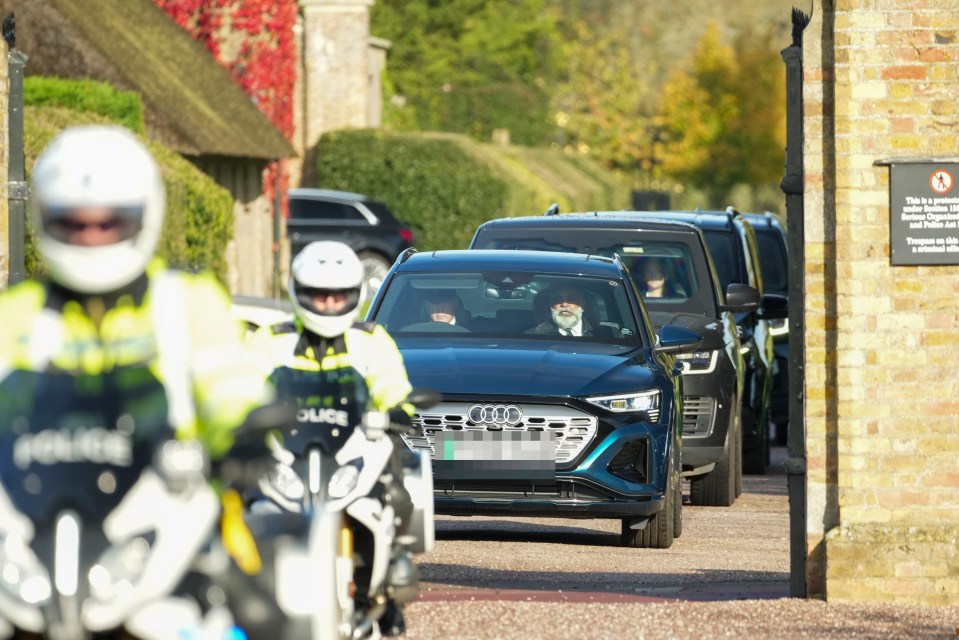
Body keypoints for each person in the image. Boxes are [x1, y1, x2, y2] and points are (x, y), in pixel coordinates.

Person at [0, 124, 273, 460]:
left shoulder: (188, 300)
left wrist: (244, 430)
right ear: (41, 217)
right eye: (72, 223)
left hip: (176, 500)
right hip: (39, 500)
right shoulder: (16, 311)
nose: (91, 237)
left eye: (110, 223)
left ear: (146, 215)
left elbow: (228, 382)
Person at [248, 240, 417, 637]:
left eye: (338, 295)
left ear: (355, 294)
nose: (327, 304)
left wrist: (397, 407)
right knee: (240, 496)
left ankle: (389, 579)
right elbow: (244, 380)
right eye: (319, 295)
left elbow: (389, 379)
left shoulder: (371, 338)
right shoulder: (271, 338)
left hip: (353, 442)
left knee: (396, 492)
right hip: (287, 447)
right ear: (299, 292)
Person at [527, 285, 596, 336]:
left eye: (571, 299)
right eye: (557, 299)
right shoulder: (533, 335)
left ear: (582, 305)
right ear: (551, 305)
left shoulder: (602, 336)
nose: (564, 304)